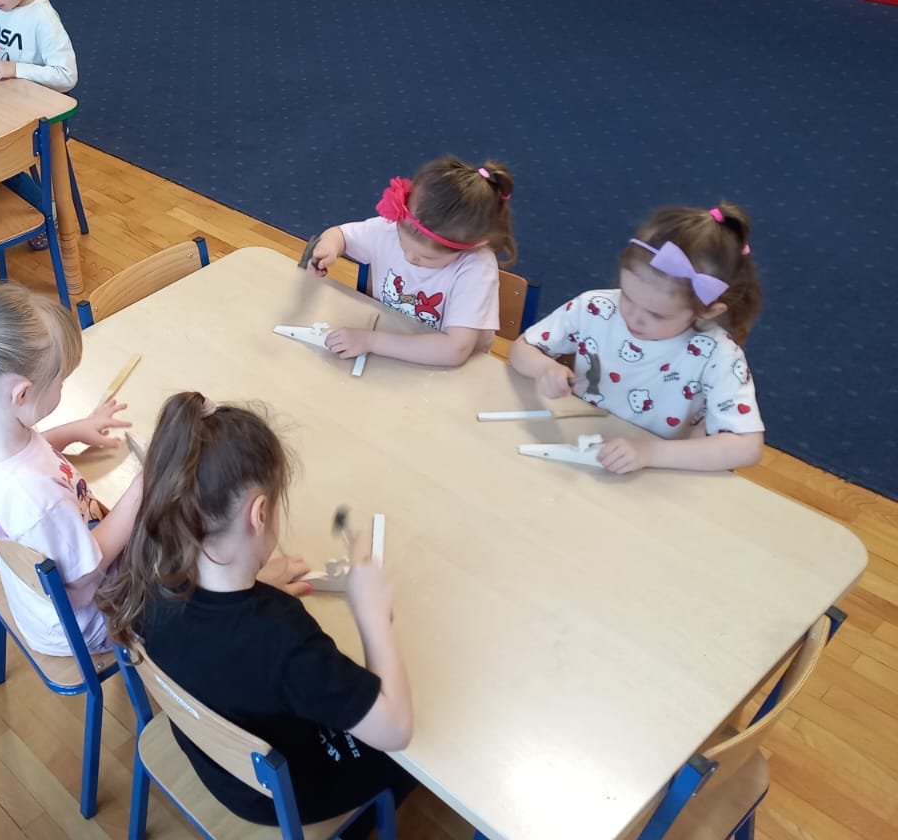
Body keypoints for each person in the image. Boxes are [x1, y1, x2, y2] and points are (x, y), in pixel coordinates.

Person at [97, 392, 415, 828]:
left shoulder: (149, 573)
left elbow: (218, 628)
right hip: (278, 796)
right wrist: (371, 614)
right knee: (418, 764)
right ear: (260, 512)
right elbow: (396, 728)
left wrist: (253, 582)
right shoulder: (281, 637)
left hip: (213, 760)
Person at [0, 282, 138, 656]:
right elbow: (85, 581)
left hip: (40, 602)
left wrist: (76, 430)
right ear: (21, 394)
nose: (61, 388)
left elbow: (31, 455)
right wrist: (141, 489)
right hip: (88, 622)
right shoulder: (39, 500)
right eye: (60, 382)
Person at [509, 203, 765, 473]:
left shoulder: (717, 355)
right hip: (581, 447)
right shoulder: (596, 308)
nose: (633, 317)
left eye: (657, 315)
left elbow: (747, 447)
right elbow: (521, 349)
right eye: (628, 296)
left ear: (708, 311)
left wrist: (650, 452)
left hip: (654, 472)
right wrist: (545, 368)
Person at [306, 156, 517, 366]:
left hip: (443, 368)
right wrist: (328, 248)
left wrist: (371, 341)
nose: (409, 257)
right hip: (387, 347)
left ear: (473, 245)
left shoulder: (476, 268)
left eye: (427, 257)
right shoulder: (390, 228)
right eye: (403, 243)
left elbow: (455, 350)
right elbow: (340, 235)